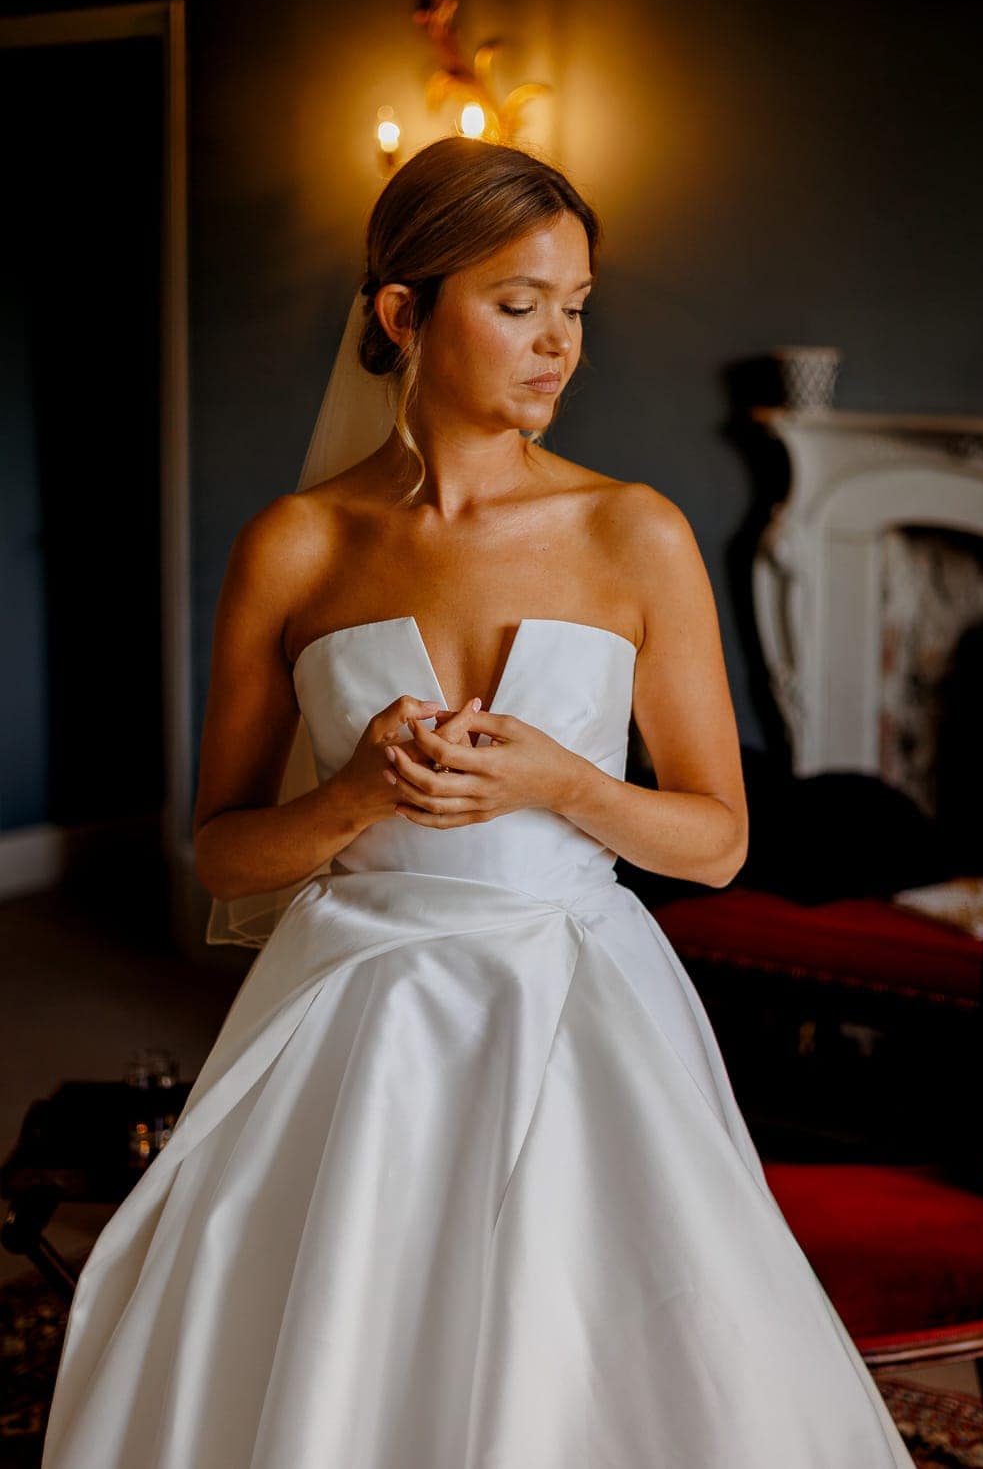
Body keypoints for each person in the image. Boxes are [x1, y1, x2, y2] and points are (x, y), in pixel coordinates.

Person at [41, 137, 916, 1468]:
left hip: (574, 999)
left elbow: (721, 841)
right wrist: (346, 796)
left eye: (576, 309)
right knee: (330, 1338)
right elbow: (221, 853)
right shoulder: (297, 543)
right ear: (404, 314)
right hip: (354, 1007)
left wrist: (562, 780)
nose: (558, 344)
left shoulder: (638, 533)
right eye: (520, 305)